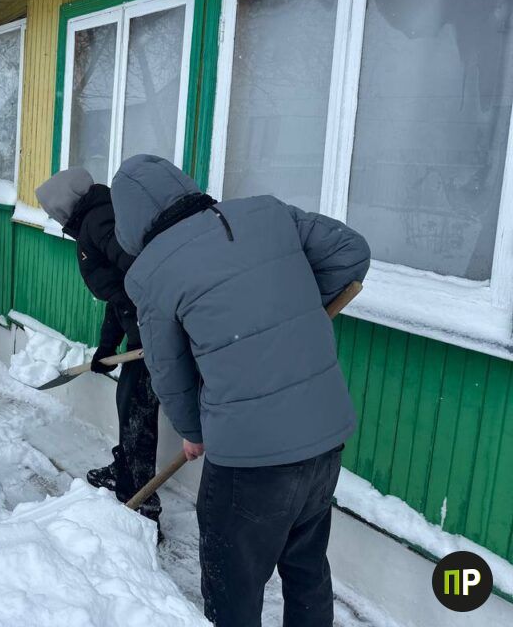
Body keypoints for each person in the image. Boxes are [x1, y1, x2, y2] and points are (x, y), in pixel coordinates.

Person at [110, 154, 370, 627]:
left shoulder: (151, 273)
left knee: (233, 585)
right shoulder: (267, 212)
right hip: (323, 435)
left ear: (130, 221)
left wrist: (192, 432)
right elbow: (351, 251)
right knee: (307, 568)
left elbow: (168, 371)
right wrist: (290, 309)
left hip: (249, 459)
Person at [35, 167, 162, 535]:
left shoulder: (100, 220)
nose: (53, 218)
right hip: (141, 328)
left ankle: (142, 507)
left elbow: (140, 276)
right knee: (129, 404)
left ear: (64, 204)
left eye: (52, 211)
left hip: (154, 331)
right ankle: (125, 472)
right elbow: (119, 295)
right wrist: (107, 347)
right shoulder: (98, 218)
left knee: (138, 414)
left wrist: (154, 329)